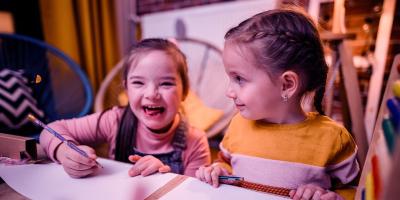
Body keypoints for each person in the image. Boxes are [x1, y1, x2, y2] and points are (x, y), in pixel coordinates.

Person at [195, 8, 359, 200]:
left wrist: (331, 196)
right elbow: (227, 164)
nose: (229, 92)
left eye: (239, 78)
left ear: (287, 85)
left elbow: (355, 190)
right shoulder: (238, 125)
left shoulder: (333, 139)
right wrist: (218, 170)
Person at [40, 38, 211, 178]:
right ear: (127, 90)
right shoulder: (114, 120)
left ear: (185, 92)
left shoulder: (195, 142)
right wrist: (63, 151)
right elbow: (50, 130)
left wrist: (163, 178)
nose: (151, 94)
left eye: (166, 83)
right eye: (138, 83)